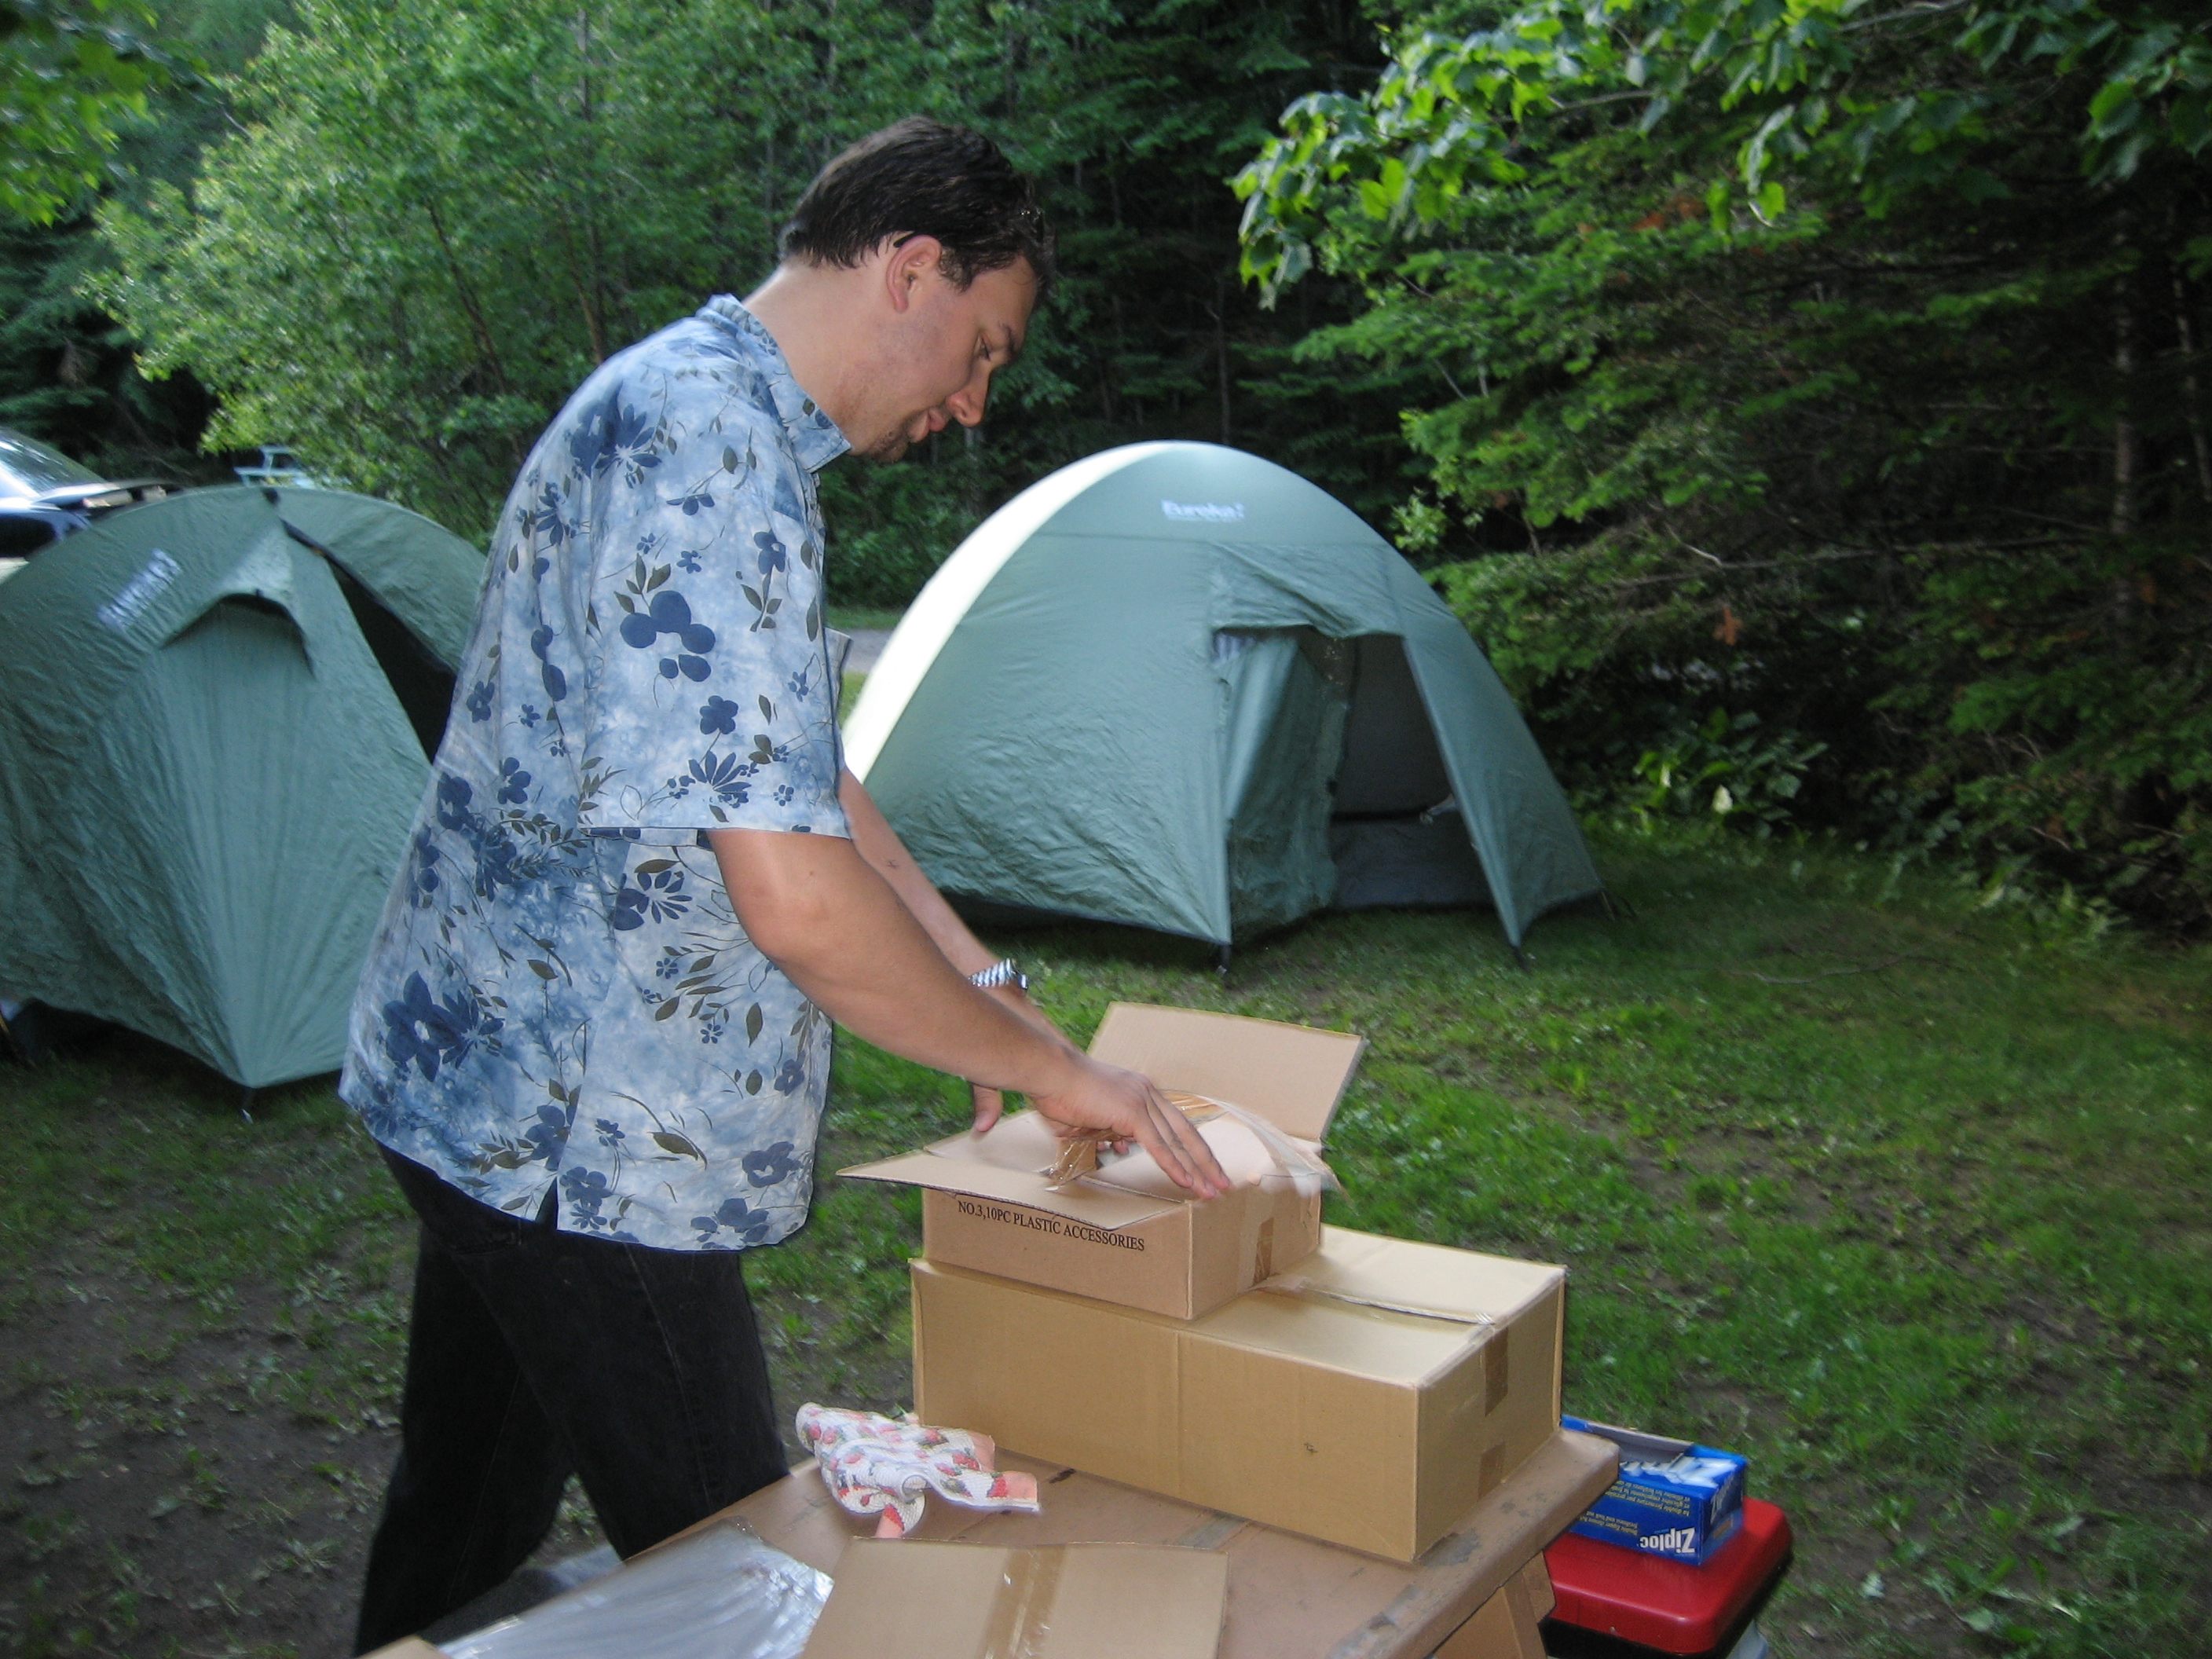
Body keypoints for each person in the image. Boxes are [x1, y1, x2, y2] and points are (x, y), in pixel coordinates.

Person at [339, 117, 1228, 1654]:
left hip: (482, 1096)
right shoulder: (716, 456)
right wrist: (1057, 1075)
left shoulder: (688, 402)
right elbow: (798, 900)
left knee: (464, 1523)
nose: (974, 400)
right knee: (736, 1573)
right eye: (984, 347)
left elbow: (790, 769)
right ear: (911, 268)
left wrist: (983, 980)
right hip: (586, 1143)